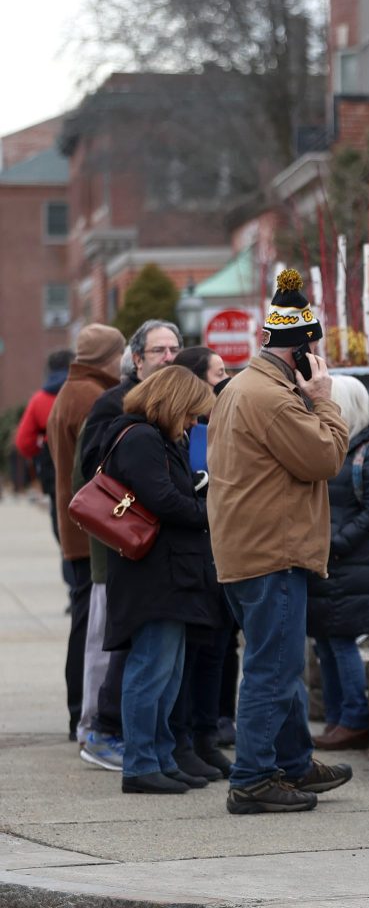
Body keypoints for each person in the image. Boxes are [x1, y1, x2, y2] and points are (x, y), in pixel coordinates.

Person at [207, 269, 352, 813]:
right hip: (272, 554)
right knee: (272, 668)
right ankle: (252, 779)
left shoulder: (244, 386)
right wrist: (323, 400)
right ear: (304, 351)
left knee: (281, 662)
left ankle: (291, 763)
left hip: (249, 551)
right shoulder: (275, 397)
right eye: (316, 350)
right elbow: (326, 457)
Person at [99, 366, 225, 792]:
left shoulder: (155, 438)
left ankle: (160, 755)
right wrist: (209, 513)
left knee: (167, 671)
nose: (192, 423)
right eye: (190, 414)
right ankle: (139, 765)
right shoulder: (141, 438)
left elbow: (170, 494)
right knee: (151, 668)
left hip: (167, 571)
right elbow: (164, 500)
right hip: (153, 574)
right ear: (173, 404)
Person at [74, 320, 185, 772]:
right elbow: (95, 468)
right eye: (159, 350)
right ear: (136, 360)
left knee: (153, 654)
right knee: (116, 645)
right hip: (123, 542)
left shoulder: (171, 405)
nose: (169, 358)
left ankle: (141, 741)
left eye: (175, 349)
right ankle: (101, 729)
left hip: (162, 546)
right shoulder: (115, 405)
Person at [306, 375, 369, 751]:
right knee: (324, 643)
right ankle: (336, 719)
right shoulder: (332, 445)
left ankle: (354, 720)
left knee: (341, 642)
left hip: (347, 560)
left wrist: (337, 543)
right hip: (325, 557)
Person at [46, 324, 126, 743]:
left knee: (83, 623)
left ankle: (79, 710)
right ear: (109, 357)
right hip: (86, 532)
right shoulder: (92, 395)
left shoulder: (71, 390)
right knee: (89, 626)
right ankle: (83, 712)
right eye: (121, 351)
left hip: (73, 526)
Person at [170, 345, 235, 779]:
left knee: (220, 648)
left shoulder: (223, 423)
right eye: (218, 372)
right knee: (193, 651)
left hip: (226, 549)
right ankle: (185, 741)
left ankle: (208, 736)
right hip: (195, 552)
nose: (226, 379)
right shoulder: (182, 432)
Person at [13, 349, 74, 543]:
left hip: (52, 468)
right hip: (84, 465)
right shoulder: (84, 391)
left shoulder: (39, 399)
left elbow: (24, 441)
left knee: (62, 530)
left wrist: (40, 451)